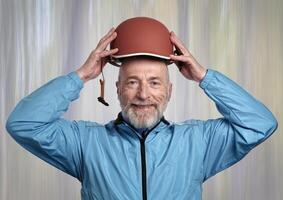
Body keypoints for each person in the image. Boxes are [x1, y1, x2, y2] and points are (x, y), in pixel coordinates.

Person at [6, 17, 278, 200]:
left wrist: (204, 77)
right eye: (132, 82)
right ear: (117, 89)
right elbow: (23, 124)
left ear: (169, 91)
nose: (143, 94)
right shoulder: (86, 143)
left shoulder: (199, 142)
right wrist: (81, 76)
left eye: (155, 83)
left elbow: (260, 123)